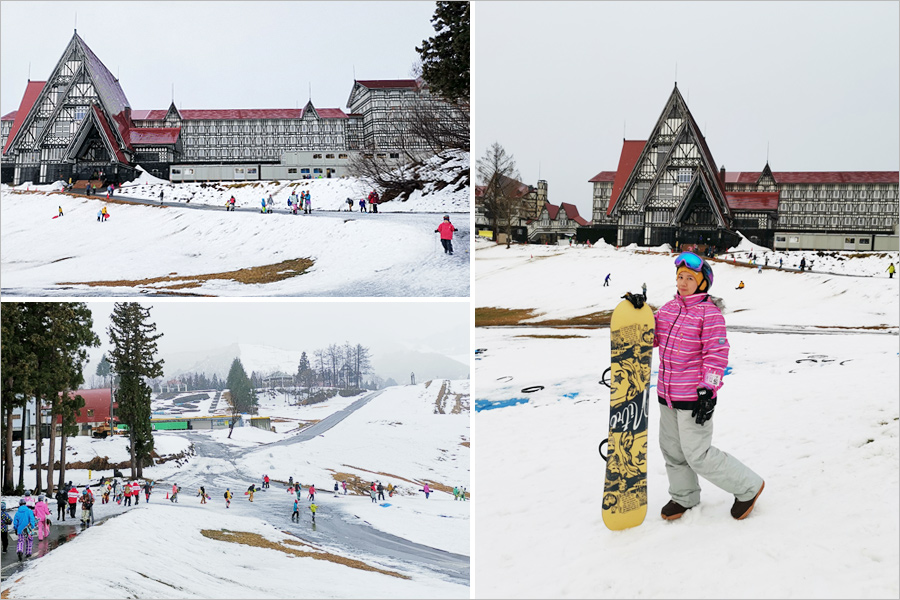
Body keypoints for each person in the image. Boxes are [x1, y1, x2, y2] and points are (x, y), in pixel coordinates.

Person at [627, 251, 764, 522]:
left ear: (703, 283)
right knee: (672, 451)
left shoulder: (709, 314)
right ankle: (684, 496)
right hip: (666, 395)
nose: (683, 282)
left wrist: (708, 391)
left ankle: (748, 486)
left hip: (693, 397)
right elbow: (651, 339)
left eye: (690, 277)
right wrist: (639, 312)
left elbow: (716, 354)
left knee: (697, 454)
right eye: (680, 276)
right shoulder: (668, 309)